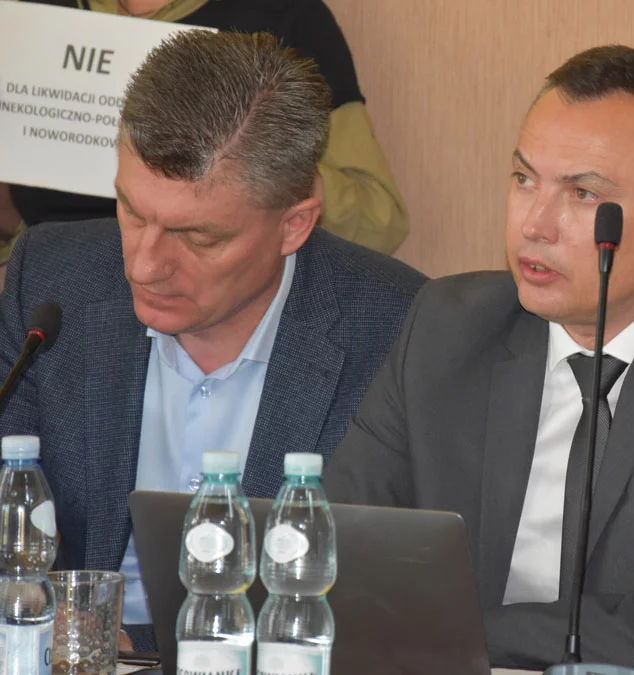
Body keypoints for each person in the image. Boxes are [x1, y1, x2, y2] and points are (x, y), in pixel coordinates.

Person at [324, 45, 634, 674]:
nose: (535, 225)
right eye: (523, 180)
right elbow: (334, 558)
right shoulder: (448, 326)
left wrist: (457, 629)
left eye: (583, 194)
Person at [0, 30, 426, 650]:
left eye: (197, 238)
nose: (144, 265)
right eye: (132, 212)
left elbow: (404, 599)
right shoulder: (51, 282)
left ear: (294, 225)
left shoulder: (399, 329)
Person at [0, 0, 410, 261]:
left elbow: (378, 219)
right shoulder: (27, 15)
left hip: (216, 317)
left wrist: (260, 157)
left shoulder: (280, 16)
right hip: (50, 309)